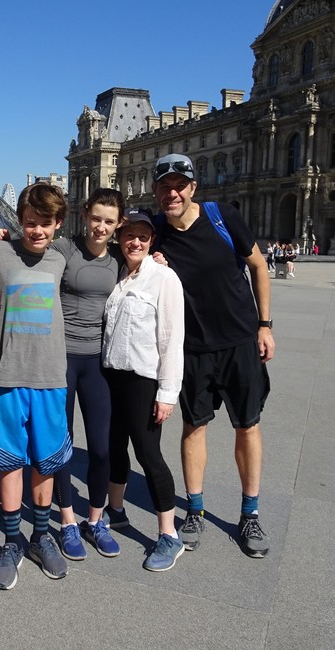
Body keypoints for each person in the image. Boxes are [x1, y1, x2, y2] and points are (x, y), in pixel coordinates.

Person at [151, 153, 275, 559]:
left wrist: (265, 325)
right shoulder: (154, 232)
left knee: (248, 426)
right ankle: (196, 509)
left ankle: (250, 513)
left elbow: (258, 266)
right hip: (192, 348)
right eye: (164, 187)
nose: (172, 193)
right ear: (156, 192)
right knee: (193, 427)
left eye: (179, 186)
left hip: (240, 340)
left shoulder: (223, 216)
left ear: (192, 188)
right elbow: (107, 243)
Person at [0, 183, 71, 590]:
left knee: (45, 462)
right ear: (19, 220)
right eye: (31, 222)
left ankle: (40, 536)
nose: (37, 230)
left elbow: (110, 258)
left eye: (46, 224)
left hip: (51, 375)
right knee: (9, 463)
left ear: (58, 224)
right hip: (8, 375)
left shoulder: (62, 258)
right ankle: (11, 541)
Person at [103, 209, 185, 571]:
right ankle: (116, 510)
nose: (135, 241)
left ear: (152, 240)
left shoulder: (164, 278)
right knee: (114, 448)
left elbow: (172, 339)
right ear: (119, 239)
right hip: (112, 376)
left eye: (143, 236)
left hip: (143, 381)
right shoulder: (119, 275)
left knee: (149, 455)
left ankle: (168, 534)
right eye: (129, 235)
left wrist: (167, 392)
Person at [49, 188, 124, 561]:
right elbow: (25, 252)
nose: (101, 227)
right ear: (85, 214)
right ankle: (66, 521)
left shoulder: (120, 259)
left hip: (98, 362)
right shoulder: (65, 249)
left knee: (101, 446)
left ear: (118, 224)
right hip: (61, 358)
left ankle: (95, 519)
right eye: (96, 218)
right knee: (62, 444)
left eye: (109, 221)